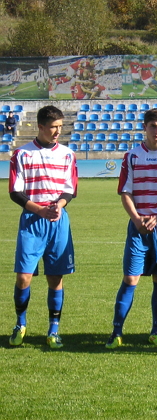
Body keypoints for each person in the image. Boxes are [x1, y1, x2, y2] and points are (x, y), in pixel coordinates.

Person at [105, 108, 157, 349]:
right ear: (145, 127)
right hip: (138, 226)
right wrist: (136, 219)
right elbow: (125, 192)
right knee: (131, 278)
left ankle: (156, 332)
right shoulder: (132, 157)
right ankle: (116, 332)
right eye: (153, 126)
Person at [8, 105, 78, 349]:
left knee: (55, 278)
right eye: (53, 127)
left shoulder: (68, 154)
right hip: (32, 222)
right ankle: (20, 324)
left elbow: (70, 189)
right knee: (23, 277)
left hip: (58, 221)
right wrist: (39, 209)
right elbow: (15, 192)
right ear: (40, 126)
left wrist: (59, 205)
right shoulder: (22, 154)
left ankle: (53, 330)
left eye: (60, 126)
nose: (58, 131)